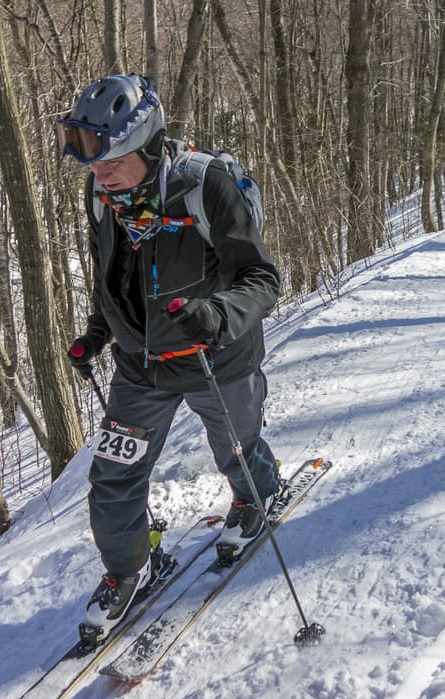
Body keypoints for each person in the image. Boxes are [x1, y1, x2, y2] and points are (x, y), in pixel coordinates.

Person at [56, 74, 282, 640]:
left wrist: (219, 314)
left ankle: (254, 498)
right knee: (112, 477)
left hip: (216, 355)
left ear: (149, 146)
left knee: (236, 447)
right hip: (140, 368)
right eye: (93, 162)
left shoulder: (208, 186)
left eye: (112, 160)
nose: (98, 173)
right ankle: (128, 568)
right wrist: (96, 334)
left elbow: (262, 278)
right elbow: (116, 280)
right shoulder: (103, 198)